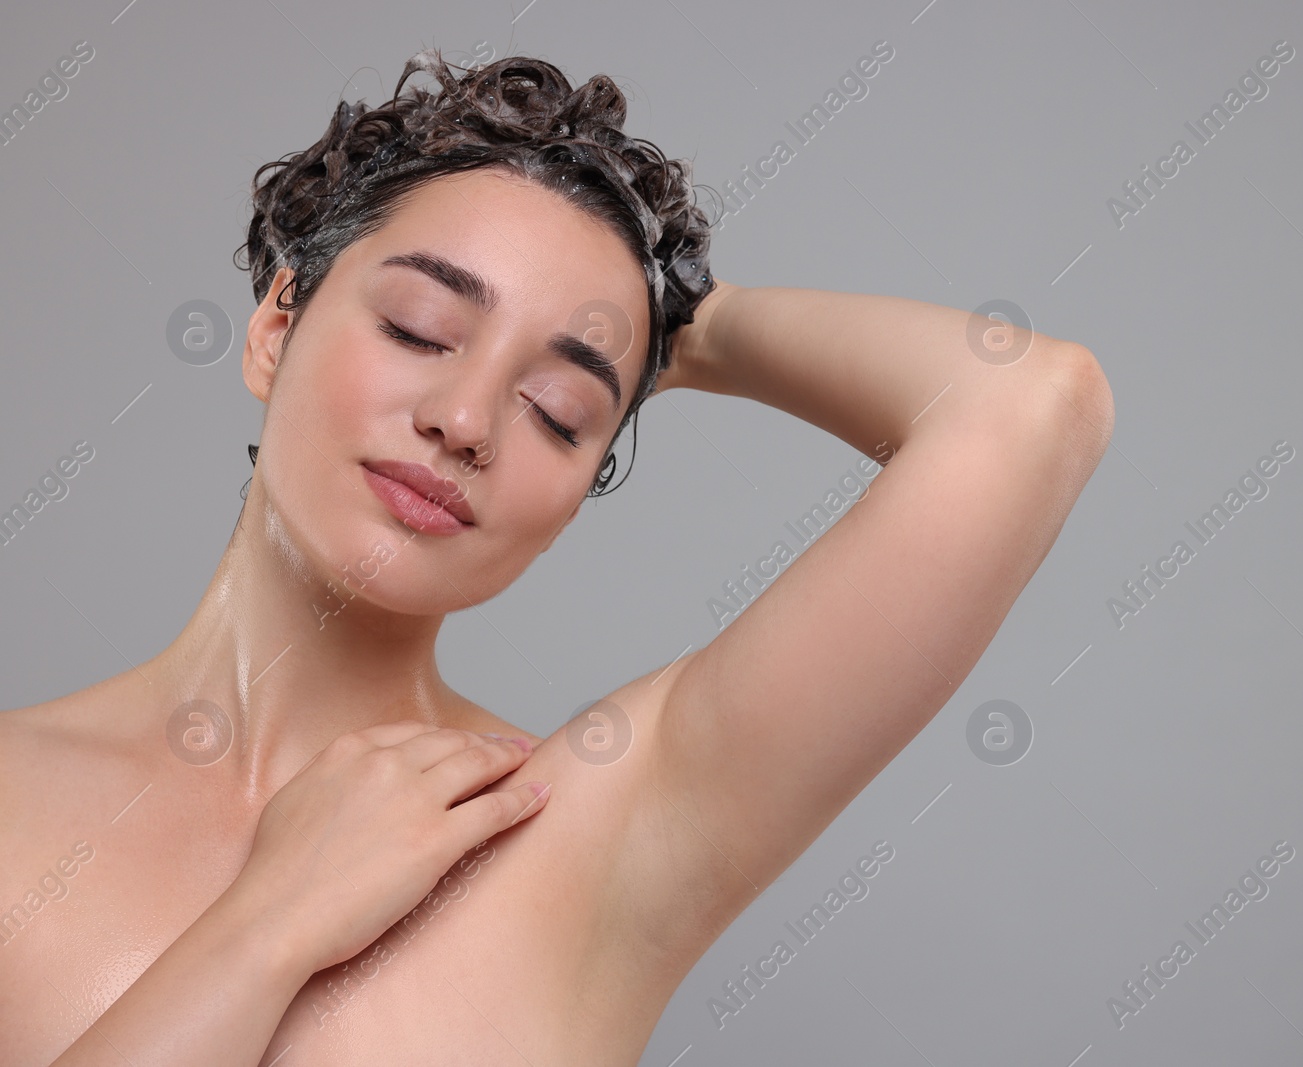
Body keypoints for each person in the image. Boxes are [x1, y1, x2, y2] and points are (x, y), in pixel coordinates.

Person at [0, 47, 1114, 1066]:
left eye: (559, 406)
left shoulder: (590, 828)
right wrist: (268, 923)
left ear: (585, 486)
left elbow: (1030, 406)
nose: (469, 419)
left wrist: (681, 323)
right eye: (421, 329)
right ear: (276, 326)